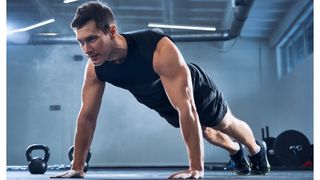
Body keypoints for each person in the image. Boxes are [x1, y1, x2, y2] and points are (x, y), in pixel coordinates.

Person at [51, 1, 270, 179]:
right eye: (81, 42)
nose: (86, 49)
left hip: (194, 89)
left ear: (112, 31)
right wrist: (77, 167)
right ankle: (235, 151)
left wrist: (196, 169)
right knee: (205, 132)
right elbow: (87, 116)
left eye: (92, 39)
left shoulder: (156, 47)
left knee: (224, 124)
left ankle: (255, 150)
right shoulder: (95, 68)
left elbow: (187, 107)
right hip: (161, 100)